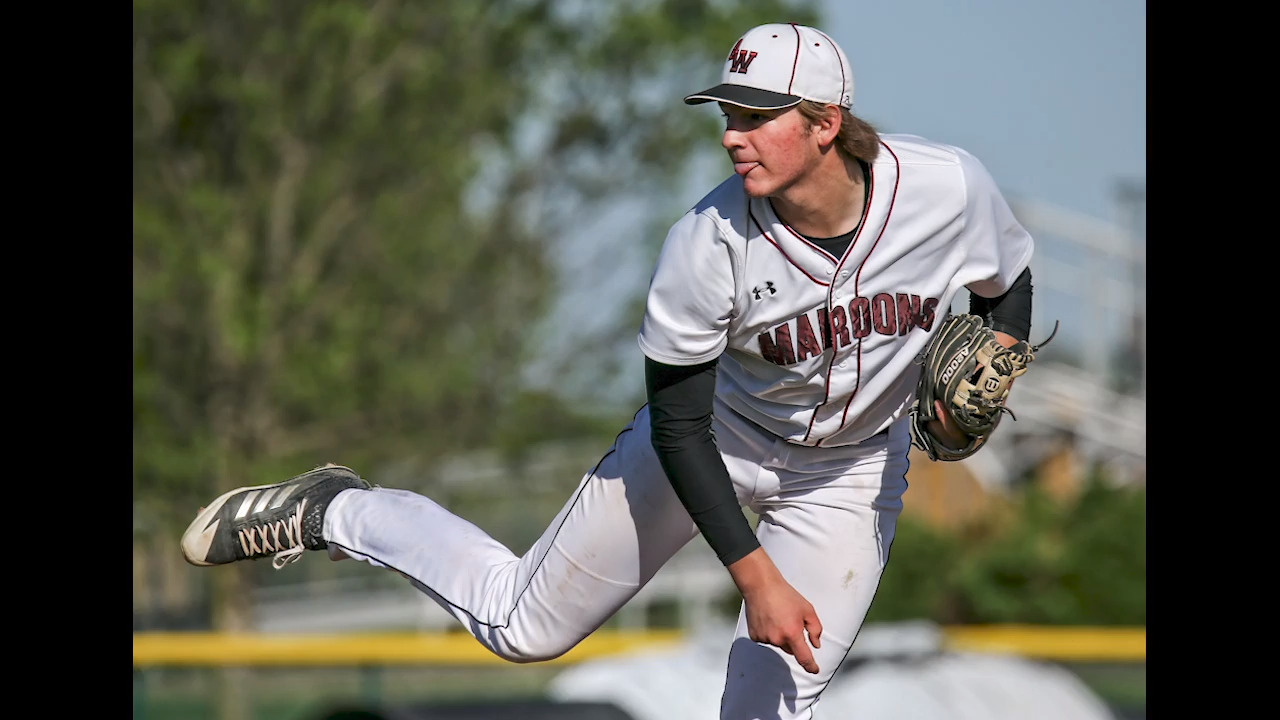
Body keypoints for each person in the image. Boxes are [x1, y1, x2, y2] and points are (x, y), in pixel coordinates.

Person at [182, 21, 1037, 719]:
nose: (733, 136)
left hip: (848, 474)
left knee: (768, 710)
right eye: (726, 115)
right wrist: (755, 575)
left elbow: (1008, 284)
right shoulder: (707, 245)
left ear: (823, 121)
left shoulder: (945, 189)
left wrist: (1000, 354)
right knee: (523, 627)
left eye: (755, 116)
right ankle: (342, 511)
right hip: (720, 440)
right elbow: (678, 424)